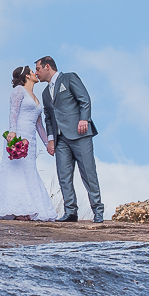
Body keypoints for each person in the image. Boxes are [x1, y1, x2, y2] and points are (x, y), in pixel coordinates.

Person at [0, 66, 58, 221]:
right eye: (32, 72)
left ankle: (29, 208)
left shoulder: (35, 96)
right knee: (15, 171)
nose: (35, 74)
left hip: (31, 139)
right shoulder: (18, 91)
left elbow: (39, 124)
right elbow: (13, 112)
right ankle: (18, 210)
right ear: (26, 76)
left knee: (28, 171)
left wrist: (47, 143)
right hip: (18, 134)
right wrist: (13, 132)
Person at [35, 56, 104, 223]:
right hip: (60, 140)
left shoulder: (69, 78)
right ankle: (70, 212)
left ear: (47, 67)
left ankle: (98, 211)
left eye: (38, 69)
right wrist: (51, 139)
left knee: (88, 173)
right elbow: (48, 118)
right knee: (63, 176)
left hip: (79, 134)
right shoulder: (45, 94)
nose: (36, 73)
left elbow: (84, 99)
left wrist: (84, 119)